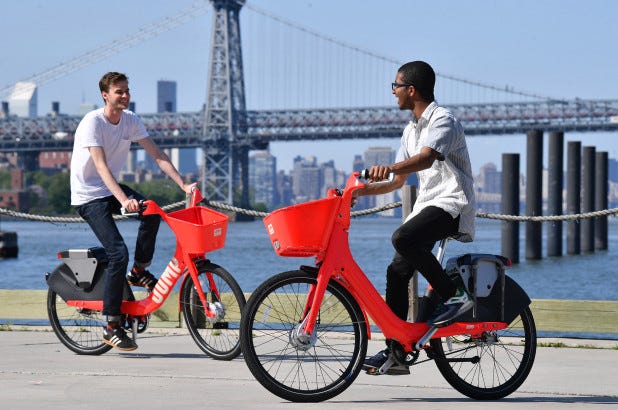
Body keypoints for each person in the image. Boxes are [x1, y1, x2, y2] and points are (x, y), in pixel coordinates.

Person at [354, 61, 476, 375]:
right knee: (396, 272)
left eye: (395, 86)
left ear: (411, 90)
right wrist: (358, 192)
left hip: (452, 204)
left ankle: (456, 295)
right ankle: (396, 352)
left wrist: (388, 167)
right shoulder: (410, 130)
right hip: (427, 207)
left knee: (402, 238)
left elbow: (425, 159)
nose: (392, 92)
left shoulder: (443, 120)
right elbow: (395, 182)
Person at [70, 72, 196, 351]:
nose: (126, 96)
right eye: (119, 92)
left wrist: (183, 185)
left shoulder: (130, 120)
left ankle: (138, 271)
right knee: (118, 253)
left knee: (152, 213)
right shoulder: (92, 122)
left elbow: (158, 155)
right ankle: (112, 325)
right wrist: (124, 199)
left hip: (110, 189)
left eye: (127, 90)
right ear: (105, 95)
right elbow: (101, 166)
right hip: (88, 195)